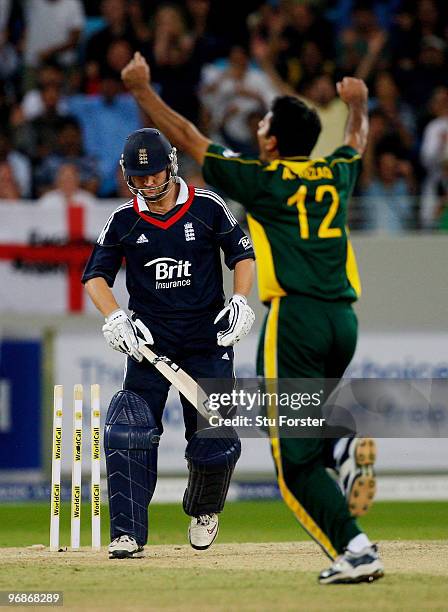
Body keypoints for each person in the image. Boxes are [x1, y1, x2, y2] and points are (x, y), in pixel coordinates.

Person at [120, 51, 384, 584]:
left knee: (293, 465)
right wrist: (359, 104)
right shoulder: (336, 173)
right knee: (301, 428)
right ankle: (353, 533)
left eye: (263, 122)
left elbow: (189, 138)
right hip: (344, 321)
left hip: (297, 318)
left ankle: (340, 451)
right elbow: (355, 142)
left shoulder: (264, 181)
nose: (257, 126)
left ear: (270, 142)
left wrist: (144, 93)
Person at [82, 127, 256, 559]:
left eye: (153, 174)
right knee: (128, 432)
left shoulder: (208, 207)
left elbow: (242, 256)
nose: (145, 184)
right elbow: (95, 276)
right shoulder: (124, 218)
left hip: (207, 340)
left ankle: (204, 510)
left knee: (214, 437)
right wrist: (116, 315)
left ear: (171, 166)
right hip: (149, 346)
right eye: (137, 178)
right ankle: (127, 533)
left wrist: (239, 300)